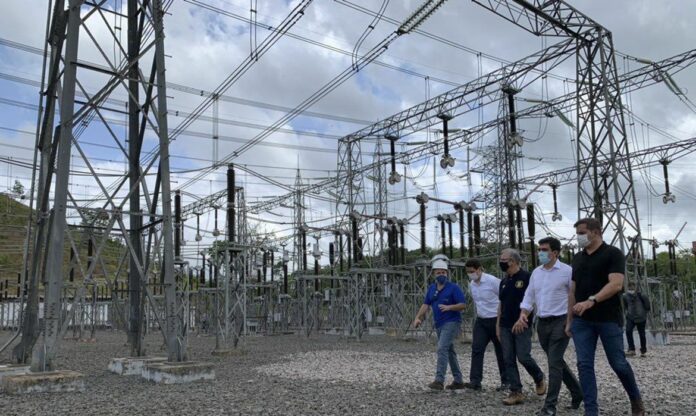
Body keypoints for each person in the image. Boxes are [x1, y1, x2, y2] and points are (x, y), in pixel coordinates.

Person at [567, 218, 645, 416]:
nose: (579, 237)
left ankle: (635, 399)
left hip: (608, 318)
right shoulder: (577, 258)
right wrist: (569, 320)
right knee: (584, 365)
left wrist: (591, 300)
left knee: (618, 363)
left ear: (596, 232)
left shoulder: (613, 254)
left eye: (582, 232)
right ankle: (591, 411)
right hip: (582, 321)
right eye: (577, 233)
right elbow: (572, 291)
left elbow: (616, 284)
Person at [513, 237, 583, 415]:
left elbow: (575, 295)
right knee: (556, 362)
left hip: (561, 321)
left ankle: (550, 406)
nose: (540, 253)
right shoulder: (536, 273)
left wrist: (571, 321)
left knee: (553, 364)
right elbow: (529, 296)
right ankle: (577, 392)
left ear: (555, 252)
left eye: (544, 250)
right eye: (539, 249)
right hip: (542, 323)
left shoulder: (567, 271)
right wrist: (523, 315)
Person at [497, 248, 545, 406]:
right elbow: (501, 305)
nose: (501, 262)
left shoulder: (527, 277)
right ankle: (516, 391)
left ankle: (538, 377)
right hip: (505, 325)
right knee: (508, 358)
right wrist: (497, 325)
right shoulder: (504, 282)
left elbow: (533, 300)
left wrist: (523, 318)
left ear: (513, 261)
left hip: (522, 324)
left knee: (523, 356)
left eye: (503, 259)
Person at [412, 255, 467, 390]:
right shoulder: (432, 288)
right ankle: (458, 380)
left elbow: (463, 305)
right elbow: (426, 304)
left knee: (442, 348)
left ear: (447, 273)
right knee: (449, 350)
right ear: (434, 274)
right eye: (438, 272)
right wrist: (418, 317)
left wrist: (449, 307)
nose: (441, 274)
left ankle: (439, 380)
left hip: (452, 322)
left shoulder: (453, 288)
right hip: (439, 323)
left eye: (443, 272)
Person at [462, 258, 508, 391]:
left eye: (472, 271)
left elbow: (504, 297)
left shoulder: (492, 281)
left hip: (496, 319)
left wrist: (502, 319)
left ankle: (506, 381)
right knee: (477, 349)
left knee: (501, 351)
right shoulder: (472, 284)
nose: (470, 274)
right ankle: (475, 381)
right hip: (481, 320)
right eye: (468, 272)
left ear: (479, 269)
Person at [622, 281, 650, 357]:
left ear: (635, 287)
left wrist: (644, 313)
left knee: (642, 334)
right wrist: (628, 313)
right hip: (630, 317)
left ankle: (643, 350)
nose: (631, 289)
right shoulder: (625, 296)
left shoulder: (642, 295)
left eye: (632, 287)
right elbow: (625, 306)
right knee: (628, 331)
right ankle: (631, 349)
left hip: (641, 317)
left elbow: (647, 306)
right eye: (630, 288)